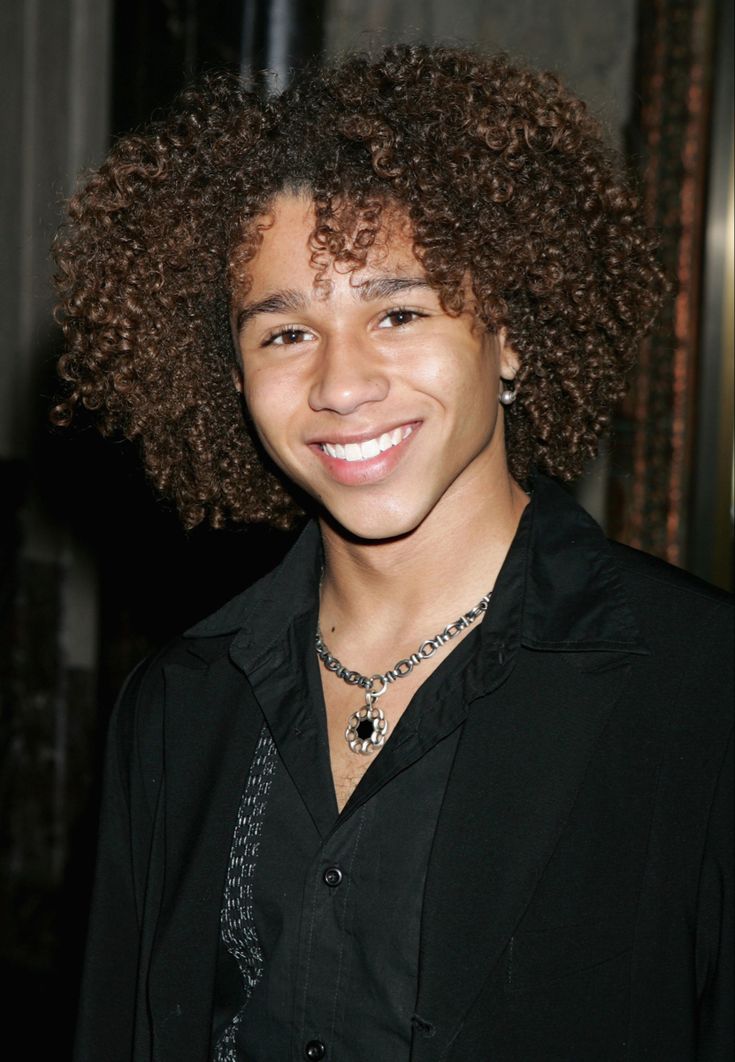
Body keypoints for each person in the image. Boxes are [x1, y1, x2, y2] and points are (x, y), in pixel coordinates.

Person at [53, 44, 732, 1062]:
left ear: (509, 335)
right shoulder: (175, 709)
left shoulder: (701, 690)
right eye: (284, 334)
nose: (341, 381)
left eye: (399, 311)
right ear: (224, 375)